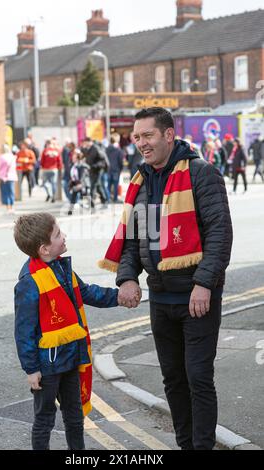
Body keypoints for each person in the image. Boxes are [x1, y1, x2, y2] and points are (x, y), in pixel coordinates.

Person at [99, 107, 233, 450]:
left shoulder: (202, 173)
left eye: (148, 135)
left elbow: (219, 233)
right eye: (137, 137)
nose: (141, 143)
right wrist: (127, 278)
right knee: (173, 380)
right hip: (160, 299)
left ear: (168, 135)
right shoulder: (140, 180)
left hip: (196, 298)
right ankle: (185, 444)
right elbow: (132, 239)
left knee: (199, 378)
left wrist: (204, 283)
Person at [14, 212, 122, 451]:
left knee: (74, 416)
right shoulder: (29, 282)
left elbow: (86, 292)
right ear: (44, 249)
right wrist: (31, 369)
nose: (64, 236)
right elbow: (24, 332)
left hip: (71, 357)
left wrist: (119, 297)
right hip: (47, 365)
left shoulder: (61, 267)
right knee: (45, 419)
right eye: (57, 234)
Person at [82, 137, 108, 210]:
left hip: (97, 170)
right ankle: (104, 200)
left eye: (86, 142)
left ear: (89, 142)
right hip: (91, 170)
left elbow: (102, 160)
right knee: (98, 186)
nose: (85, 144)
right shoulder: (88, 149)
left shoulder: (96, 148)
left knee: (93, 186)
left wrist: (95, 166)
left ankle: (91, 203)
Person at [68, 149, 91, 216]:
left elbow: (83, 176)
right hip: (76, 183)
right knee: (73, 196)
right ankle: (70, 210)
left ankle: (90, 209)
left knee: (85, 196)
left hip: (83, 184)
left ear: (77, 159)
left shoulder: (82, 166)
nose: (72, 159)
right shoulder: (74, 165)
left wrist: (80, 184)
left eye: (74, 158)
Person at [0, 144, 18, 214]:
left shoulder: (2, 157)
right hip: (12, 177)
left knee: (5, 193)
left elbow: (0, 168)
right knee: (11, 192)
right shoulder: (13, 157)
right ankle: (12, 208)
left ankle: (8, 208)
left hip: (4, 177)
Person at [107, 135, 124, 203]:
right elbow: (121, 161)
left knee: (108, 185)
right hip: (116, 169)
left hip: (108, 169)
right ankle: (115, 198)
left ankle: (108, 198)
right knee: (116, 185)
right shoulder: (118, 150)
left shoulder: (106, 149)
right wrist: (121, 169)